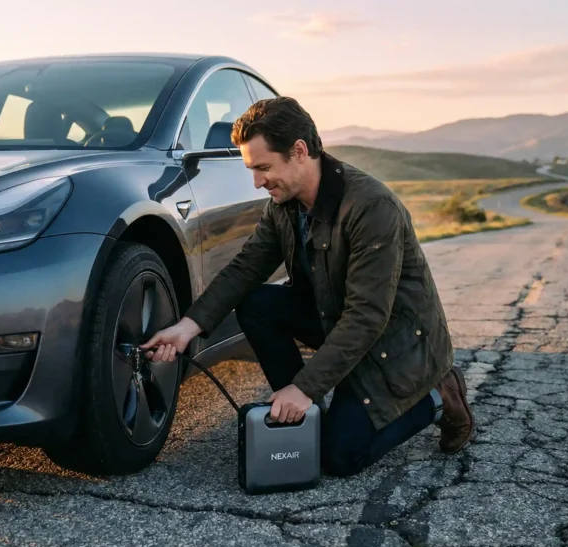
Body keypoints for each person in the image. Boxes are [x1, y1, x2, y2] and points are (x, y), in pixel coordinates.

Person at [141, 96, 474, 477]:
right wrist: (188, 327)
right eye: (252, 169)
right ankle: (305, 416)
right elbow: (245, 269)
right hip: (337, 323)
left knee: (338, 459)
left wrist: (306, 387)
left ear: (299, 151)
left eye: (264, 167)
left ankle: (437, 395)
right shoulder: (284, 203)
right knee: (256, 302)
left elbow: (367, 318)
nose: (257, 181)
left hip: (394, 346)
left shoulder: (372, 207)